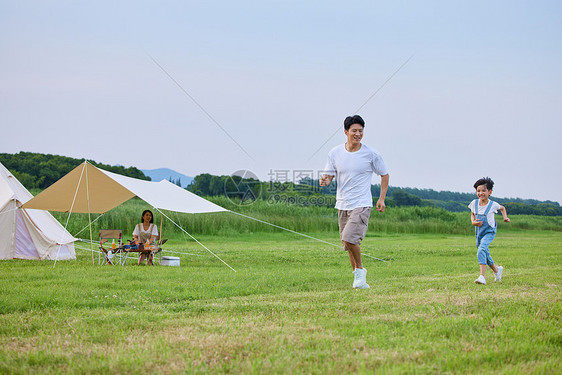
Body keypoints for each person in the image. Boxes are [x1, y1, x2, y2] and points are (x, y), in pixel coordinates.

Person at [319, 115, 389, 289]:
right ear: (346, 132)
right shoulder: (335, 153)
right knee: (348, 244)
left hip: (362, 203)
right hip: (342, 204)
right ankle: (359, 282)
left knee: (349, 238)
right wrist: (325, 181)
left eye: (361, 131)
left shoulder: (371, 154)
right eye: (354, 131)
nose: (358, 134)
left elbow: (384, 174)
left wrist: (381, 198)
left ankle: (360, 271)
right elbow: (329, 176)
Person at [469, 177, 510, 285]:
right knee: (485, 253)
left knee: (481, 249)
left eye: (483, 190)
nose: (480, 193)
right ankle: (497, 270)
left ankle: (482, 277)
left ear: (489, 192)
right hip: (479, 232)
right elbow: (472, 215)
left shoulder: (493, 205)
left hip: (489, 232)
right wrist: (473, 222)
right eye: (478, 191)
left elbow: (502, 208)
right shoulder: (474, 203)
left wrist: (505, 217)